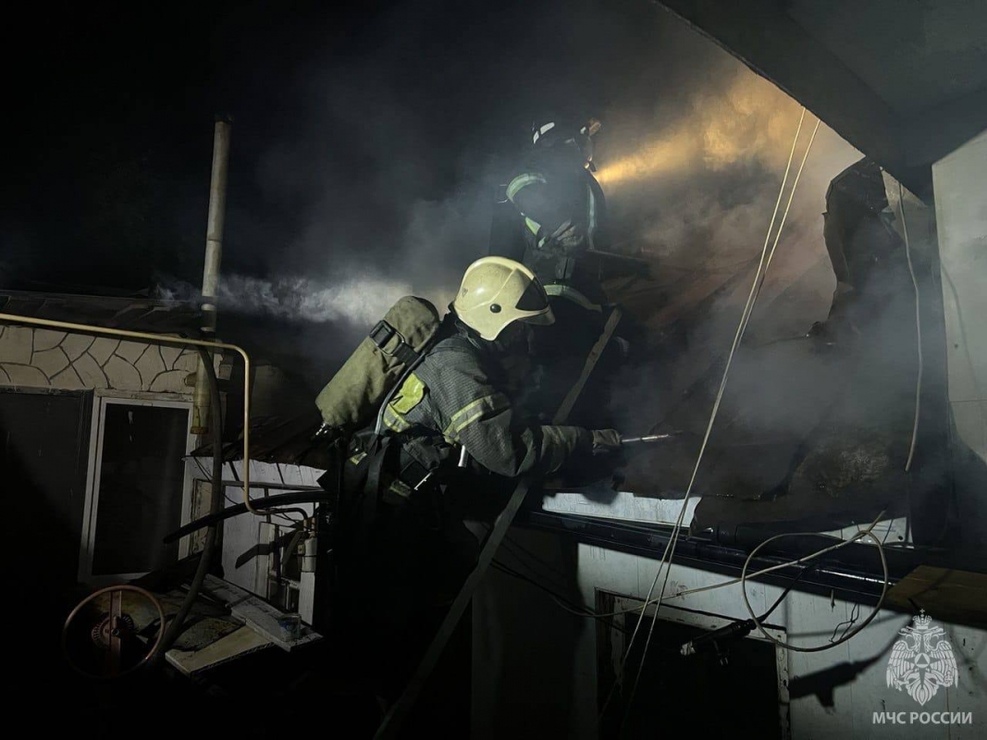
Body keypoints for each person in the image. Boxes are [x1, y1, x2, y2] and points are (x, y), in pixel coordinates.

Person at [325, 255, 624, 719]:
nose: (523, 337)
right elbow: (508, 452)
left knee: (397, 630)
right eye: (518, 327)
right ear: (493, 320)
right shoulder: (456, 367)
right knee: (393, 638)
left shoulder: (458, 349)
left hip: (398, 511)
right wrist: (580, 440)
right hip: (391, 521)